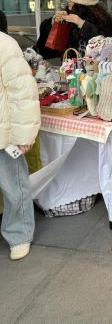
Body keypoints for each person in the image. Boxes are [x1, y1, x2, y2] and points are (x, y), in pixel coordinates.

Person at [0, 31, 41, 260]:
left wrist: (24, 136)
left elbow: (23, 93)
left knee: (14, 186)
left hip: (4, 132)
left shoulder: (4, 44)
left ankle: (19, 235)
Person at [34, 0, 112, 59]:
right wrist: (54, 23)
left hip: (95, 67)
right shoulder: (68, 16)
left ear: (82, 3)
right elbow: (46, 52)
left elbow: (111, 46)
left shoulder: (102, 20)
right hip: (69, 67)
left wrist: (83, 24)